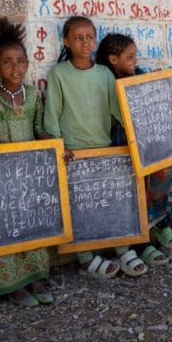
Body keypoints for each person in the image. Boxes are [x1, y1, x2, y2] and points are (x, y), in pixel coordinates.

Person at [44, 17, 146, 279]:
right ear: (66, 41)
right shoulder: (59, 74)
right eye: (77, 38)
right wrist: (58, 147)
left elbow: (117, 109)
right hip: (73, 152)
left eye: (89, 37)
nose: (84, 42)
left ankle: (122, 249)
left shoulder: (103, 73)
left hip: (104, 147)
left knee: (112, 201)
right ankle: (85, 258)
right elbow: (52, 114)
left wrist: (142, 133)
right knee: (79, 206)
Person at [0, 18, 54, 307]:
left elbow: (39, 128)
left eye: (20, 62)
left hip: (27, 175)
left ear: (27, 64)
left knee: (29, 222)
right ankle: (10, 283)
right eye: (7, 62)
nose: (15, 68)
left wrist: (54, 146)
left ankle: (35, 276)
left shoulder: (32, 97)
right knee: (3, 225)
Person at [96, 33, 172, 262]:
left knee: (156, 186)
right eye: (130, 57)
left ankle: (161, 228)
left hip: (148, 144)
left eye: (134, 56)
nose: (135, 60)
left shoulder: (140, 76)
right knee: (131, 194)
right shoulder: (105, 81)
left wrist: (156, 85)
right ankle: (141, 243)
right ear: (113, 59)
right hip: (121, 144)